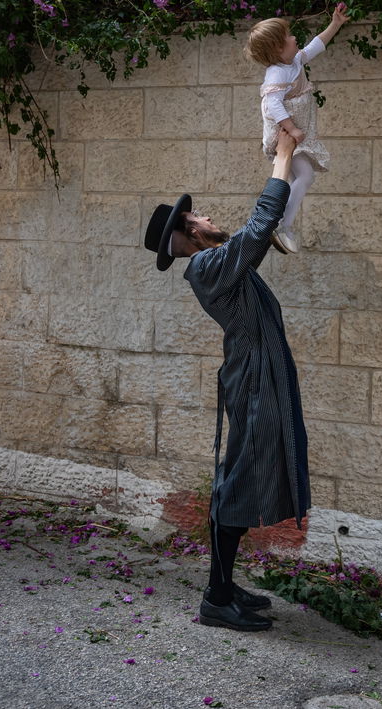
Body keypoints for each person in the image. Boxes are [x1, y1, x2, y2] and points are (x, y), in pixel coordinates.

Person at [143, 128, 310, 633]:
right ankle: (216, 598)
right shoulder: (209, 267)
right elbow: (261, 225)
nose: (207, 216)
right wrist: (282, 156)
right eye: (197, 218)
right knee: (237, 483)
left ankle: (223, 585)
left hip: (261, 374)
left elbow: (260, 235)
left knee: (237, 477)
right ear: (191, 237)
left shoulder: (222, 260)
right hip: (254, 379)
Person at [244, 2, 350, 254]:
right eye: (289, 37)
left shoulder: (292, 63)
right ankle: (283, 225)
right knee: (305, 177)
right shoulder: (277, 74)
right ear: (278, 49)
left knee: (296, 179)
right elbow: (272, 105)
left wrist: (335, 24)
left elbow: (316, 45)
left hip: (295, 135)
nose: (295, 38)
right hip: (286, 136)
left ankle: (283, 223)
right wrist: (292, 129)